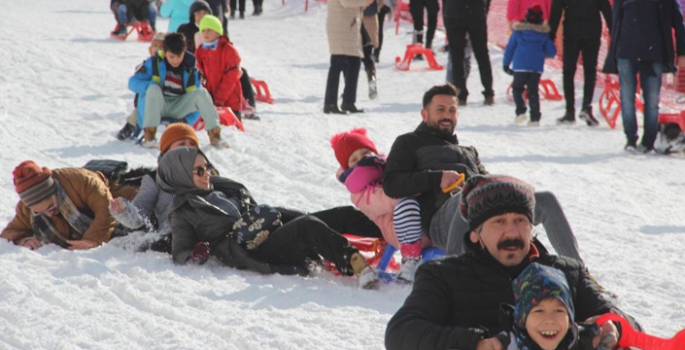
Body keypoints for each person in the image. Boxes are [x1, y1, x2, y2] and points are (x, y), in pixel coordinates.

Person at [385, 175, 634, 350]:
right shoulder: (444, 276)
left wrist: (612, 328)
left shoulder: (566, 272)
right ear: (475, 233)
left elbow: (625, 322)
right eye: (499, 222)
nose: (512, 232)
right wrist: (476, 343)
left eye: (520, 221)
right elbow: (401, 333)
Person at [383, 84, 582, 260]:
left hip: (482, 212)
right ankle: (453, 276)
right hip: (442, 220)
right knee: (468, 197)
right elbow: (392, 184)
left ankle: (578, 276)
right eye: (440, 110)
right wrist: (436, 178)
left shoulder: (469, 152)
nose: (447, 115)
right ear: (424, 114)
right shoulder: (409, 142)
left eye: (452, 110)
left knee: (545, 199)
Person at [157, 148, 381, 289]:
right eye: (198, 171)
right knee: (307, 226)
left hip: (267, 225)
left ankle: (396, 230)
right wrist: (195, 254)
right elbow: (179, 252)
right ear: (181, 175)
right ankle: (355, 263)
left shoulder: (220, 186)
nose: (206, 174)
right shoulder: (183, 211)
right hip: (254, 248)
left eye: (206, 167)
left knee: (340, 215)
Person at [330, 128, 433, 282]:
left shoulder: (388, 168)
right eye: (354, 159)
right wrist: (408, 188)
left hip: (427, 222)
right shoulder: (358, 193)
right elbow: (382, 201)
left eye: (365, 152)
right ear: (347, 167)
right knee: (406, 203)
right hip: (398, 231)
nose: (361, 159)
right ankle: (411, 259)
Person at [603, 0, 685, 152]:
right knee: (627, 98)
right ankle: (630, 139)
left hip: (654, 55)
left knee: (652, 101)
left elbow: (678, 23)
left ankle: (648, 142)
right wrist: (613, 54)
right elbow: (616, 23)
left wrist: (682, 52)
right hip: (626, 53)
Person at [110, 124, 204, 253]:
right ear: (166, 152)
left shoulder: (207, 175)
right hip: (170, 235)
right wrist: (124, 210)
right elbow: (140, 214)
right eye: (182, 143)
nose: (188, 148)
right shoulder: (155, 179)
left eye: (193, 144)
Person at [128, 33, 229, 149]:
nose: (176, 60)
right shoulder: (153, 63)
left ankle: (215, 135)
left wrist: (186, 121)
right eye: (171, 56)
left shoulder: (191, 68)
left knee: (202, 93)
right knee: (154, 89)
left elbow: (198, 102)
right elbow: (132, 82)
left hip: (178, 107)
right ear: (165, 52)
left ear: (184, 52)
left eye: (179, 56)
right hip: (157, 106)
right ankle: (149, 136)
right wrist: (149, 86)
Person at [1, 161, 127, 251]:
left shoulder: (82, 181)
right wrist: (24, 240)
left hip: (125, 197)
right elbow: (10, 232)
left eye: (51, 207)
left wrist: (92, 240)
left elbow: (107, 210)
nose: (49, 214)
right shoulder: (26, 207)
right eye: (40, 212)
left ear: (54, 192)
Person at [502, 262, 619, 350]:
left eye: (558, 310)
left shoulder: (586, 342)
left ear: (569, 319)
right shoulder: (507, 345)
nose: (549, 320)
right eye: (539, 311)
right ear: (522, 319)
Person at [177, 2, 259, 118]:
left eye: (205, 13)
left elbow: (226, 48)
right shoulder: (185, 29)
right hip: (192, 64)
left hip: (217, 65)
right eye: (199, 13)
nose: (202, 15)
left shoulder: (216, 28)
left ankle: (248, 104)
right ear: (192, 15)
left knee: (241, 72)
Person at [549, 0, 611, 126]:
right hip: (592, 32)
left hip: (571, 32)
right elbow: (605, 7)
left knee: (568, 71)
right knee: (590, 71)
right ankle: (586, 107)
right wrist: (613, 29)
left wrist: (551, 36)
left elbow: (556, 10)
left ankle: (570, 112)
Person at [503, 5, 556, 126]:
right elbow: (552, 52)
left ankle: (521, 111)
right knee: (533, 92)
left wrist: (506, 64)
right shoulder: (543, 34)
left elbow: (510, 48)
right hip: (536, 68)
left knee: (517, 89)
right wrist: (543, 53)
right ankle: (535, 118)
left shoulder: (518, 32)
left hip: (520, 66)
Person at [117, 31, 168, 141]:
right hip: (147, 99)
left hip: (165, 99)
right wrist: (148, 86)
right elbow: (133, 82)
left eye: (161, 46)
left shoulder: (172, 64)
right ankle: (130, 127)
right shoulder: (148, 64)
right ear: (150, 49)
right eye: (155, 46)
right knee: (138, 111)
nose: (158, 49)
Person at [443, 0, 494, 106]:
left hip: (453, 11)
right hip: (476, 11)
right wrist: (484, 9)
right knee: (482, 53)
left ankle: (460, 93)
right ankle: (488, 92)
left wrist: (446, 10)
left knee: (457, 55)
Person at [323, 0, 370, 114]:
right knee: (337, 65)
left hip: (349, 27)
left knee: (354, 63)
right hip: (341, 28)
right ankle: (330, 104)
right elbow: (346, 2)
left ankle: (348, 102)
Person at [195, 15, 245, 118]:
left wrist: (219, 99)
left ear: (218, 32)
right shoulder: (200, 51)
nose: (205, 33)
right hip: (211, 99)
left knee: (231, 130)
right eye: (203, 30)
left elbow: (231, 78)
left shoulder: (228, 50)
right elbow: (199, 74)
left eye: (209, 30)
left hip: (230, 100)